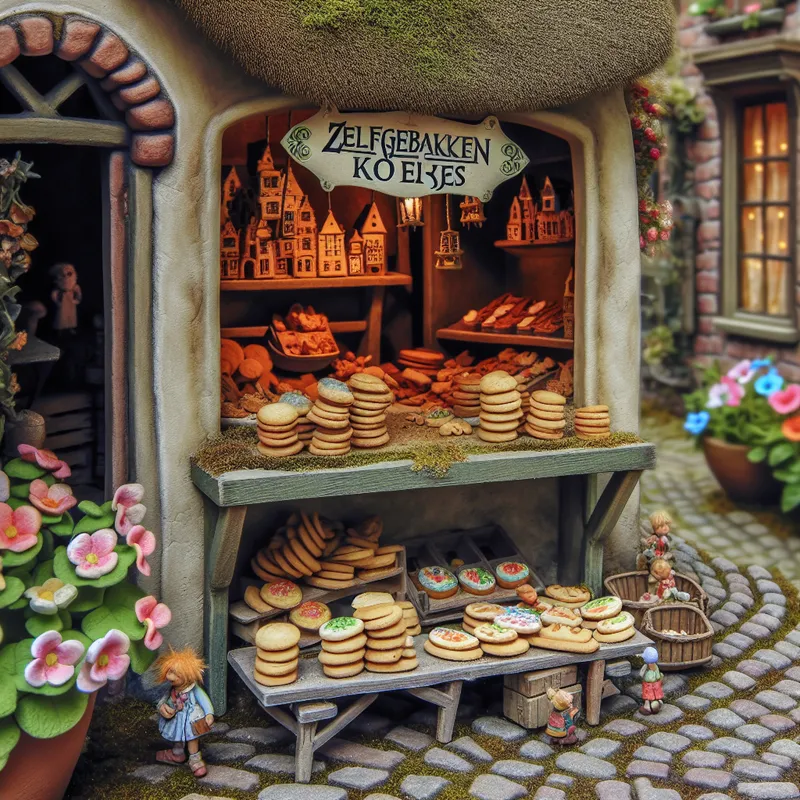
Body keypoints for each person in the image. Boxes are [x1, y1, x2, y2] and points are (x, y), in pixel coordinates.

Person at [153, 646, 215, 777]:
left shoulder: (194, 689)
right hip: (177, 717)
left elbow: (204, 701)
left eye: (175, 673)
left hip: (192, 718)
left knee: (193, 738)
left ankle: (195, 760)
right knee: (177, 735)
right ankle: (177, 753)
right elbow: (162, 700)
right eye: (169, 672)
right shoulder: (172, 689)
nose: (170, 676)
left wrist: (209, 714)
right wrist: (162, 707)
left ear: (187, 675)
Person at [49, 263, 82, 334]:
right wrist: (57, 301)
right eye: (62, 275)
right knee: (61, 317)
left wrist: (76, 300)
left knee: (71, 316)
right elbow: (54, 295)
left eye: (69, 274)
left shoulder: (75, 287)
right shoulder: (58, 289)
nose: (66, 277)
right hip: (62, 303)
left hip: (71, 303)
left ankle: (70, 328)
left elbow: (78, 294)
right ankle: (60, 329)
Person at [640, 646, 664, 715]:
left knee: (647, 696)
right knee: (656, 694)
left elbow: (641, 674)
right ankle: (657, 701)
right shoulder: (655, 666)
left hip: (648, 685)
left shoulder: (646, 666)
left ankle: (647, 706)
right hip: (656, 684)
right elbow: (658, 676)